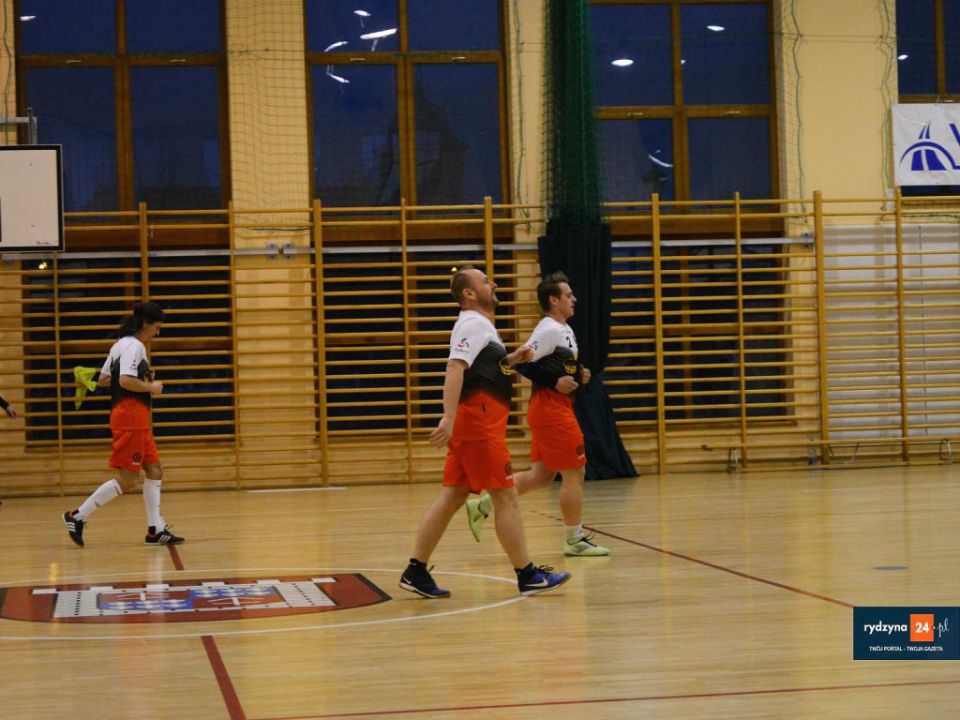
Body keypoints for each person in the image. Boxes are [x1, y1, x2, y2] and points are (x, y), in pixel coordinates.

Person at [399, 266, 571, 598]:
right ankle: (528, 575)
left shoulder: (479, 326)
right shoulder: (474, 324)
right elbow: (455, 366)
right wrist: (448, 417)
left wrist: (511, 359)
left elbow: (483, 369)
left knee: (453, 496)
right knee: (506, 496)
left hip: (476, 424)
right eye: (485, 281)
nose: (493, 284)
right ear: (469, 293)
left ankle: (415, 571)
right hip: (478, 425)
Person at [465, 272, 611, 557]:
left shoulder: (563, 329)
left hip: (554, 408)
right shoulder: (548, 330)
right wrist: (554, 382)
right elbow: (521, 363)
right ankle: (574, 539)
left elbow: (555, 365)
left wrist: (578, 374)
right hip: (551, 409)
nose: (574, 299)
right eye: (568, 295)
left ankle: (482, 505)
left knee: (541, 476)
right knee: (575, 472)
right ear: (554, 300)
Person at [61, 302, 184, 547]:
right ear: (145, 324)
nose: (158, 333)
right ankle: (77, 516)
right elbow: (125, 381)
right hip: (130, 418)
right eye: (156, 327)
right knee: (128, 480)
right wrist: (150, 387)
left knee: (155, 470)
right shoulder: (134, 346)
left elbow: (104, 379)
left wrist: (141, 379)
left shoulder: (120, 344)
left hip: (137, 418)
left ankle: (155, 530)